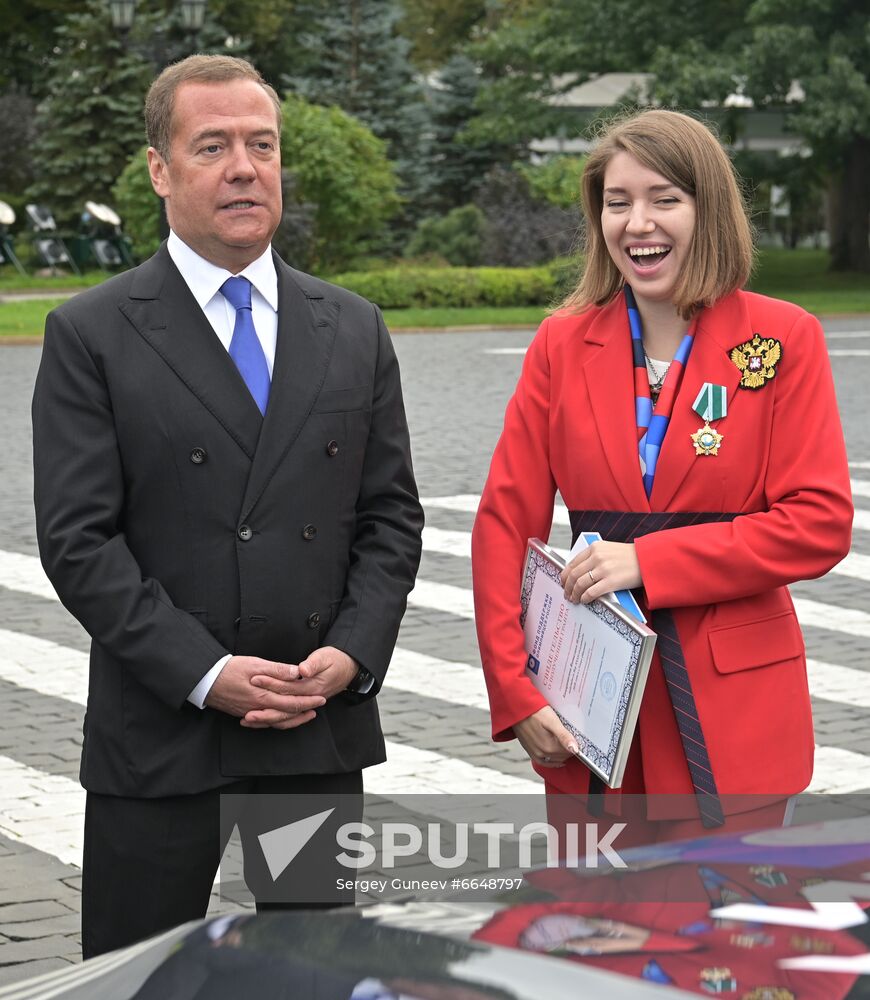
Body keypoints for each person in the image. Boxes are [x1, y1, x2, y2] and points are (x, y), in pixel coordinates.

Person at [32, 54, 423, 958]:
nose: (245, 167)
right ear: (160, 172)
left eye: (262, 145)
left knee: (313, 974)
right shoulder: (92, 332)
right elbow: (78, 541)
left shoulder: (352, 326)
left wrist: (353, 655)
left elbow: (391, 516)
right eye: (212, 146)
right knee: (143, 976)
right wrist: (207, 673)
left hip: (314, 724)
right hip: (163, 733)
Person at [471, 109, 852, 842]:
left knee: (728, 942)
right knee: (596, 932)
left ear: (706, 210)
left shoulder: (783, 338)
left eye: (664, 198)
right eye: (618, 203)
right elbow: (503, 523)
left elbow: (819, 522)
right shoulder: (559, 343)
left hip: (732, 712)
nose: (637, 223)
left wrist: (650, 561)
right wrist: (514, 691)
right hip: (587, 703)